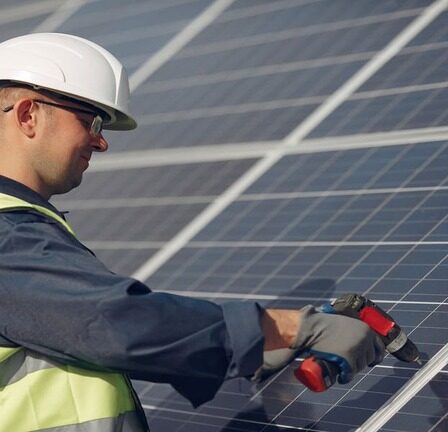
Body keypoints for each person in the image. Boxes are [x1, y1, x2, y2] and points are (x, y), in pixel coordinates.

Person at [0, 33, 385, 432]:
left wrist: (248, 347)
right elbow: (113, 322)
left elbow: (77, 338)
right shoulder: (8, 235)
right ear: (28, 115)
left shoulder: (18, 226)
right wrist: (292, 328)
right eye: (92, 121)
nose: (101, 142)